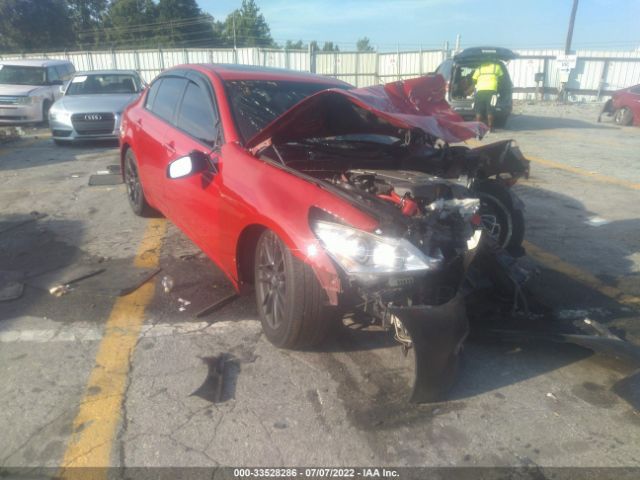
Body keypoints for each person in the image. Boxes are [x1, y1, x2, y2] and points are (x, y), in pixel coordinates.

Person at [471, 61, 504, 131]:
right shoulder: (497, 67)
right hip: (492, 91)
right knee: (490, 110)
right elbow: (502, 79)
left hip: (480, 91)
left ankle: (478, 128)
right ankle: (490, 128)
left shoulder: (479, 68)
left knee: (478, 110)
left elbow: (473, 80)